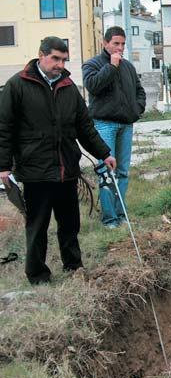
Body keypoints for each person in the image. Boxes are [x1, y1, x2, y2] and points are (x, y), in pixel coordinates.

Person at [0, 37, 117, 284]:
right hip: (36, 171)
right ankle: (38, 274)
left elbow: (85, 127)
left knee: (69, 224)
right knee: (37, 226)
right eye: (55, 58)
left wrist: (104, 153)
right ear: (41, 56)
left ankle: (73, 266)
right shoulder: (17, 86)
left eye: (63, 60)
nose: (60, 64)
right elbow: (4, 128)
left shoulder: (68, 87)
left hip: (67, 168)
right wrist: (3, 166)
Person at [82, 26, 145, 228]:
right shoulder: (92, 64)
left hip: (126, 125)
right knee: (106, 172)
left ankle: (121, 214)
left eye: (123, 44)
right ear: (105, 43)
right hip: (104, 124)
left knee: (123, 172)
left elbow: (139, 90)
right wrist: (111, 66)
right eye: (116, 43)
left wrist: (137, 109)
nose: (120, 48)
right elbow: (93, 86)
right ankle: (109, 219)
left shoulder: (128, 67)